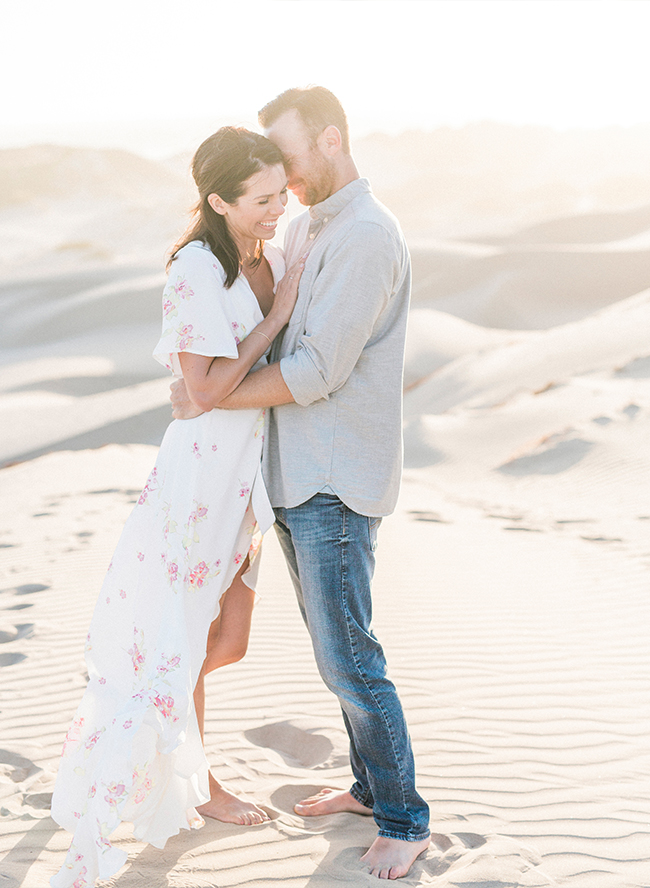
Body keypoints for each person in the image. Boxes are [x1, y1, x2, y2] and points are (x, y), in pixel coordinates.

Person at [171, 87, 430, 880]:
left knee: (351, 659)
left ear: (328, 140)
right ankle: (365, 787)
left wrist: (207, 393)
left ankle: (404, 817)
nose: (281, 176)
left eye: (288, 158)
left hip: (334, 481)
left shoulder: (363, 236)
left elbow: (318, 371)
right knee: (335, 652)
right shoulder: (314, 226)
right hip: (298, 478)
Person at [49, 127, 304, 888]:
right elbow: (203, 391)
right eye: (261, 199)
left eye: (282, 193)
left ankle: (151, 732)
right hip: (198, 483)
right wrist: (280, 311)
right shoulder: (197, 268)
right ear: (217, 199)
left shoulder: (274, 250)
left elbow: (214, 387)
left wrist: (281, 290)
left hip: (247, 479)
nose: (277, 208)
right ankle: (198, 785)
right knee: (186, 640)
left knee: (227, 639)